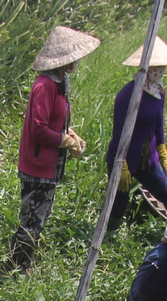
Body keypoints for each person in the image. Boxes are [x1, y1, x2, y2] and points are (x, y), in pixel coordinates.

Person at [10, 25, 100, 271]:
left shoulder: (59, 83)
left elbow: (56, 121)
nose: (77, 63)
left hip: (49, 165)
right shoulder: (45, 86)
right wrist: (65, 141)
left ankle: (22, 266)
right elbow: (38, 129)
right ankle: (16, 269)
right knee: (31, 220)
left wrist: (71, 134)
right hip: (37, 165)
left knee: (40, 217)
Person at [105, 40, 167, 235]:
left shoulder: (159, 92)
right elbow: (119, 133)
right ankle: (109, 238)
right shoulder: (127, 95)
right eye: (155, 67)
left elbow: (159, 124)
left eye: (162, 67)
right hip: (124, 158)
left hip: (148, 160)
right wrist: (121, 164)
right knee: (119, 201)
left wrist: (162, 151)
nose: (159, 71)